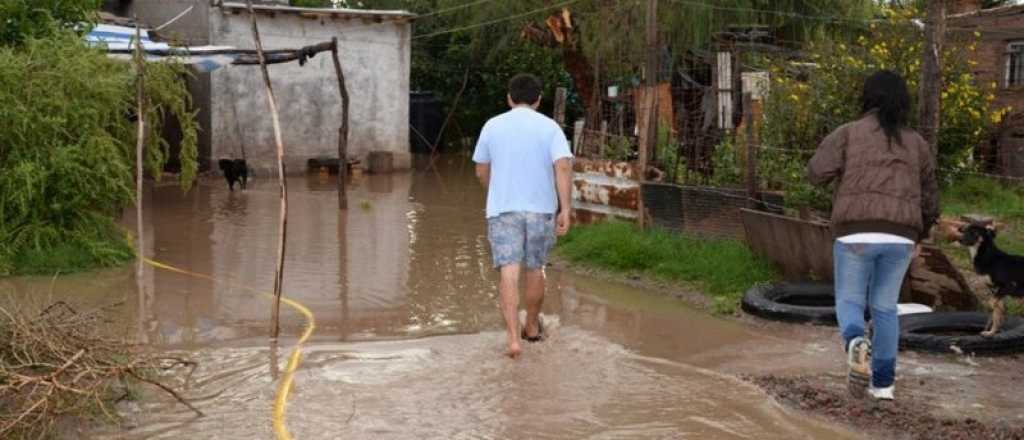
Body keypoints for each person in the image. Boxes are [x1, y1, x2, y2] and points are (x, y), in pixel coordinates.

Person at [808, 70, 940, 401]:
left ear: (868, 98)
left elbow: (816, 173)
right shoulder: (917, 143)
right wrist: (919, 235)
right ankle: (883, 386)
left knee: (850, 301)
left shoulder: (848, 133)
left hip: (855, 233)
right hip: (901, 236)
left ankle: (855, 342)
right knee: (885, 308)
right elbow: (931, 200)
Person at [472, 73, 574, 359]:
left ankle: (513, 339)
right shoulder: (550, 127)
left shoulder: (492, 125)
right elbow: (563, 167)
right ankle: (531, 326)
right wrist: (565, 208)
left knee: (509, 269)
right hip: (541, 210)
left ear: (509, 98)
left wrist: (495, 191)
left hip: (503, 209)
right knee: (535, 268)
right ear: (538, 100)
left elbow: (480, 170)